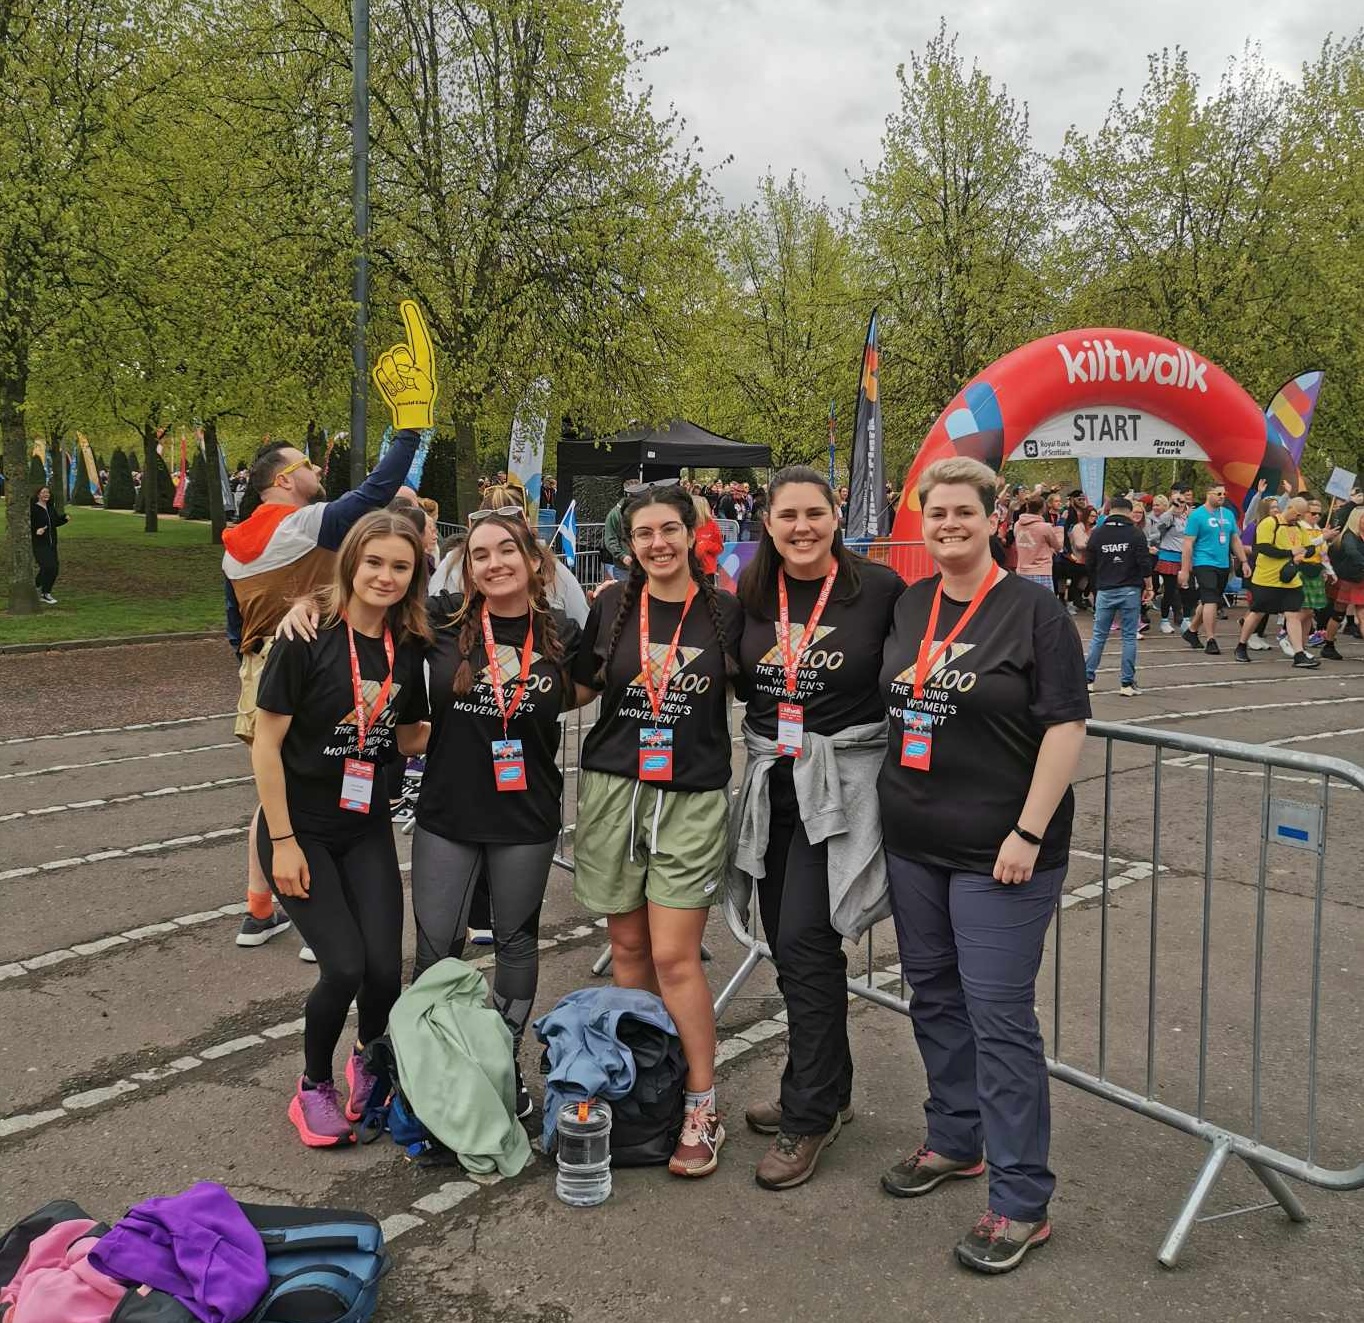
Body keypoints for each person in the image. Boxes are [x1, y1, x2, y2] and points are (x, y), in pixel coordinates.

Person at [876, 455, 1089, 1274]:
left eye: (964, 512)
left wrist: (1029, 833)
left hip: (1003, 851)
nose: (949, 526)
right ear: (922, 522)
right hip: (914, 840)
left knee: (999, 1018)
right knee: (931, 992)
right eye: (937, 514)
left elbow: (1066, 726)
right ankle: (956, 1137)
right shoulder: (912, 603)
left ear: (992, 518)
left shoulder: (1033, 612)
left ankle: (1020, 1200)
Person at [223, 302, 433, 951]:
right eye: (309, 466)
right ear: (286, 479)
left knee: (279, 781)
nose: (318, 472)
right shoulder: (294, 523)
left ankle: (262, 906)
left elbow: (233, 622)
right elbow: (371, 497)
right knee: (315, 775)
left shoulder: (233, 542)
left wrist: (256, 648)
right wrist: (411, 429)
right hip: (310, 659)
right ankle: (315, 908)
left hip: (262, 659)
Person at [729, 465, 904, 1190]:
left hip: (842, 787)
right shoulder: (751, 589)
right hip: (775, 783)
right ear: (766, 522)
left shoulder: (880, 590)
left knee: (806, 937)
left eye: (814, 513)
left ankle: (811, 1114)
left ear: (837, 516)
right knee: (794, 945)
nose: (801, 527)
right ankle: (822, 1083)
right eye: (787, 516)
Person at [570, 483, 745, 1178]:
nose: (658, 543)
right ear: (630, 541)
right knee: (627, 945)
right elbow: (580, 685)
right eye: (645, 533)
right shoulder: (612, 604)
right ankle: (646, 1075)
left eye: (669, 529)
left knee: (676, 956)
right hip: (616, 786)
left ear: (691, 532)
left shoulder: (725, 609)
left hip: (691, 795)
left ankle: (701, 1101)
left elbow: (774, 680)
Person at [251, 510, 431, 1147]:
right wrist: (281, 842)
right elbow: (265, 745)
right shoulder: (306, 635)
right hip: (301, 830)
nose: (384, 576)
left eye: (400, 566)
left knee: (385, 971)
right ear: (351, 561)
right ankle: (311, 1086)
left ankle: (366, 1057)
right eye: (374, 562)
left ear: (415, 575)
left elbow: (408, 734)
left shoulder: (408, 646)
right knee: (344, 967)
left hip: (366, 827)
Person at [429, 483, 589, 626]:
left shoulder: (556, 575)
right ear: (470, 568)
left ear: (534, 560)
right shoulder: (452, 570)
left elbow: (583, 629)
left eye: (508, 550)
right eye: (481, 556)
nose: (495, 564)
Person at [1234, 497, 1319, 668]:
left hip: (1290, 580)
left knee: (1293, 614)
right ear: (1289, 507)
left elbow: (1310, 547)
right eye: (1297, 514)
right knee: (1257, 612)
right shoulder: (1268, 523)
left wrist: (1304, 554)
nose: (1299, 518)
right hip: (1267, 579)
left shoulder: (1299, 527)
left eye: (1302, 516)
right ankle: (1241, 645)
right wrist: (1290, 552)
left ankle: (1299, 653)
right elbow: (1263, 548)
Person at [1082, 496, 1153, 695]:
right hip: (1130, 589)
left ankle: (1088, 679)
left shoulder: (1097, 534)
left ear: (1109, 510)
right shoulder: (1136, 533)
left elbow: (1089, 563)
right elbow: (1144, 563)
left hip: (1105, 589)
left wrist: (1097, 584)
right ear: (1129, 512)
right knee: (1129, 636)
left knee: (1099, 635)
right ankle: (1127, 683)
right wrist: (1149, 586)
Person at [1179, 483, 1251, 656]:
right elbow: (1188, 543)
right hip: (1203, 562)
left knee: (1209, 600)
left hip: (1223, 563)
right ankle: (1211, 639)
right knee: (1210, 599)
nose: (1222, 496)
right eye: (1218, 493)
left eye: (1224, 494)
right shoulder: (1197, 516)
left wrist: (1244, 561)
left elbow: (1234, 539)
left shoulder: (1227, 515)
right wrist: (1185, 569)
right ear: (1208, 493)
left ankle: (1192, 630)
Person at [1319, 505, 1364, 660]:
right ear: (1356, 519)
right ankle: (1328, 645)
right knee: (1338, 614)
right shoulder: (1349, 537)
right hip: (1348, 580)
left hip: (1358, 578)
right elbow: (1352, 552)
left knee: (1360, 614)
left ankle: (1328, 645)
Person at [1152, 487, 1196, 633]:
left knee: (1187, 590)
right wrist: (1173, 508)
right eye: (1177, 502)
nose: (1180, 505)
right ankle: (1164, 620)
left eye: (1183, 502)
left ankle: (1187, 619)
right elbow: (1161, 524)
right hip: (1169, 556)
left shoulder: (1189, 518)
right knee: (1170, 591)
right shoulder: (1168, 516)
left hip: (1184, 557)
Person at [1011, 497, 1064, 590]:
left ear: (1027, 507)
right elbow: (1058, 546)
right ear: (1043, 509)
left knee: (1026, 603)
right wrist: (1059, 529)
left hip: (1022, 571)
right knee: (1044, 603)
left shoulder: (1017, 525)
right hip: (1041, 571)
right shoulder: (1045, 527)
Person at [30, 486, 68, 604]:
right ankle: (38, 589)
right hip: (39, 544)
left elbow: (54, 522)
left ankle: (45, 592)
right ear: (38, 495)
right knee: (47, 567)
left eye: (48, 492)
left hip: (52, 544)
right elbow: (28, 525)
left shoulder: (50, 508)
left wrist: (64, 519)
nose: (47, 494)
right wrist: (37, 531)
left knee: (54, 569)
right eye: (44, 492)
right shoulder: (33, 509)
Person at [691, 492, 724, 576]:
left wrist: (706, 545)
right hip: (689, 569)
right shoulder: (687, 525)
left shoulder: (712, 525)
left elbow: (720, 548)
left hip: (707, 571)